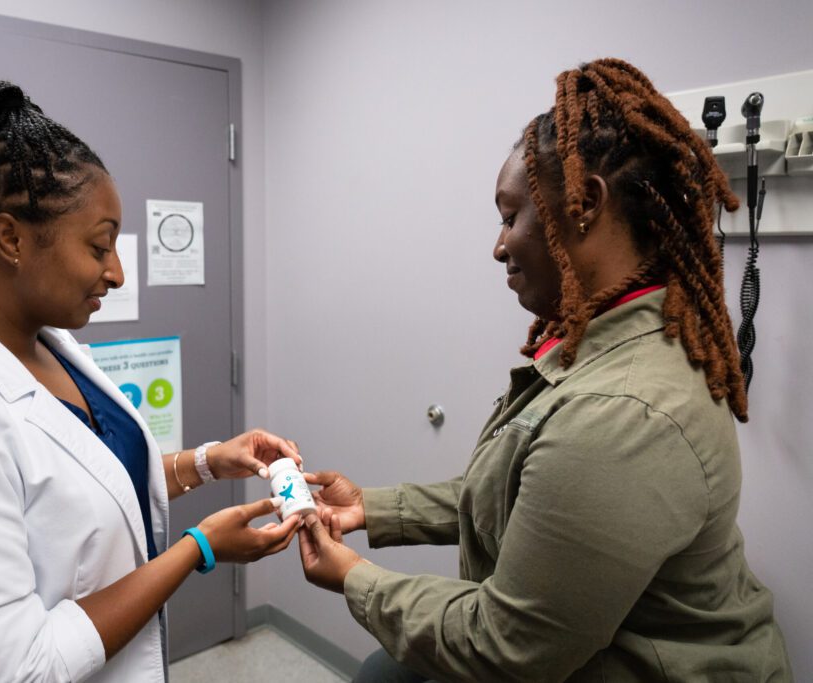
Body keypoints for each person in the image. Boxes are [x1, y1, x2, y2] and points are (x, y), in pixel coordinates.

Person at [297, 58, 793, 682]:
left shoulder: (623, 413)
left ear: (585, 204)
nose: (499, 246)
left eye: (509, 217)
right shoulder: (600, 340)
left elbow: (510, 647)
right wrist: (370, 508)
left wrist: (353, 579)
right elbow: (521, 495)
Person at [0, 80, 303, 682]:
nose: (116, 273)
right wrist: (200, 548)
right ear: (11, 239)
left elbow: (90, 485)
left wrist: (208, 461)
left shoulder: (47, 343)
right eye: (100, 246)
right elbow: (13, 670)